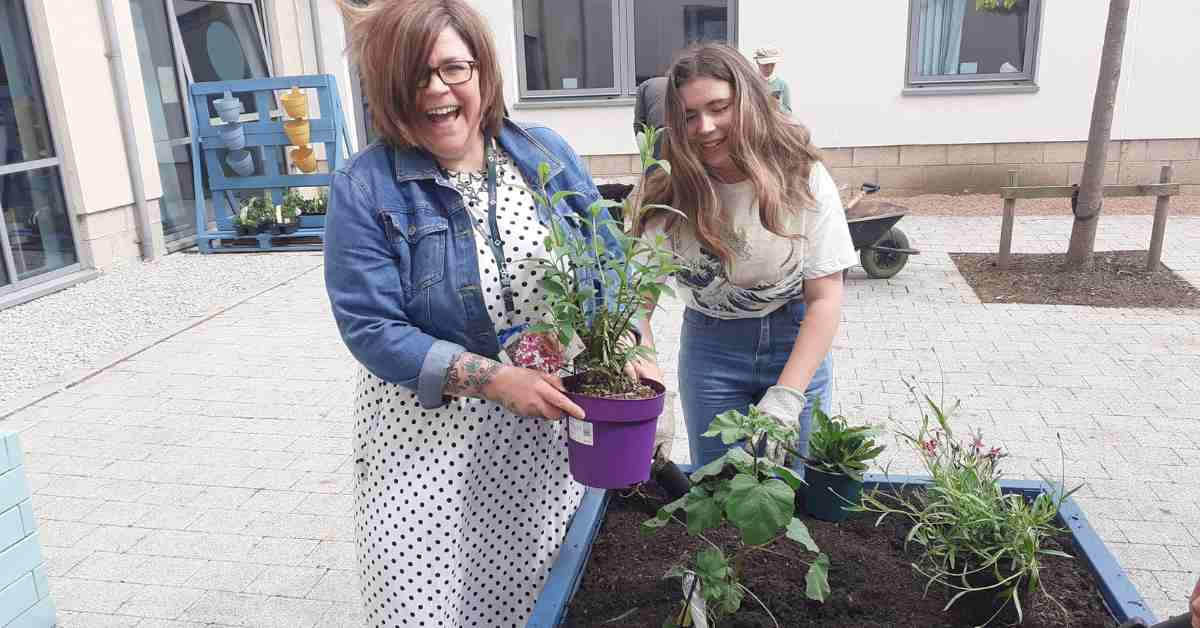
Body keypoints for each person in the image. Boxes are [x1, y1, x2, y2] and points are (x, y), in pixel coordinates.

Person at [326, 1, 622, 624]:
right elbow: (370, 327)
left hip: (543, 445)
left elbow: (611, 267)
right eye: (414, 75)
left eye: (453, 68)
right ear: (388, 89)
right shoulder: (366, 186)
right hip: (426, 443)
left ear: (483, 72)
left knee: (534, 598)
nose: (436, 90)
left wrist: (634, 350)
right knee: (422, 605)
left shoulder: (545, 154)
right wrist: (493, 379)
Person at [631, 43, 857, 469]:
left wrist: (789, 395)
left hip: (795, 341)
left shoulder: (801, 177)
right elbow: (636, 304)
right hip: (710, 348)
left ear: (749, 103)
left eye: (720, 107)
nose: (705, 126)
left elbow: (826, 297)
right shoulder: (668, 188)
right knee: (716, 492)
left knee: (789, 489)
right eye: (689, 115)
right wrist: (649, 387)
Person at [634, 76, 668, 157]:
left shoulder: (643, 86)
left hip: (657, 131)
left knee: (655, 165)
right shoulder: (675, 82)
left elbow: (638, 123)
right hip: (678, 128)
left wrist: (644, 150)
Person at [753, 47, 792, 114]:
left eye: (772, 65)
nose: (769, 68)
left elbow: (789, 112)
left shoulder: (782, 85)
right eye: (766, 65)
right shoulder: (751, 83)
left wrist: (778, 107)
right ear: (758, 62)